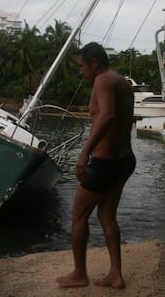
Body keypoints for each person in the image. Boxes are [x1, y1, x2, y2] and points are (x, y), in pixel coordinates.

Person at [56, 42, 136, 289]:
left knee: (78, 215)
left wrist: (84, 153)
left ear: (94, 63)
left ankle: (80, 274)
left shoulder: (103, 80)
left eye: (82, 66)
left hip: (104, 164)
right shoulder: (121, 81)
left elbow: (108, 115)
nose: (81, 71)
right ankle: (115, 274)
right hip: (124, 160)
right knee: (106, 215)